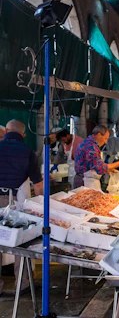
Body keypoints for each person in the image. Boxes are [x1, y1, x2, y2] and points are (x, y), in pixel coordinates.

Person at [0, 119, 43, 295]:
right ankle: (22, 283)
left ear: (7, 130)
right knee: (20, 240)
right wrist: (41, 205)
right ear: (23, 135)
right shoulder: (28, 152)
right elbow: (38, 184)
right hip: (15, 202)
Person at [74, 125, 119, 189]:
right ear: (99, 135)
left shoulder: (86, 142)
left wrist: (108, 170)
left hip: (84, 180)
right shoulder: (91, 146)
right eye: (105, 138)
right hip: (85, 182)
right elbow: (100, 167)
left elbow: (91, 165)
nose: (105, 142)